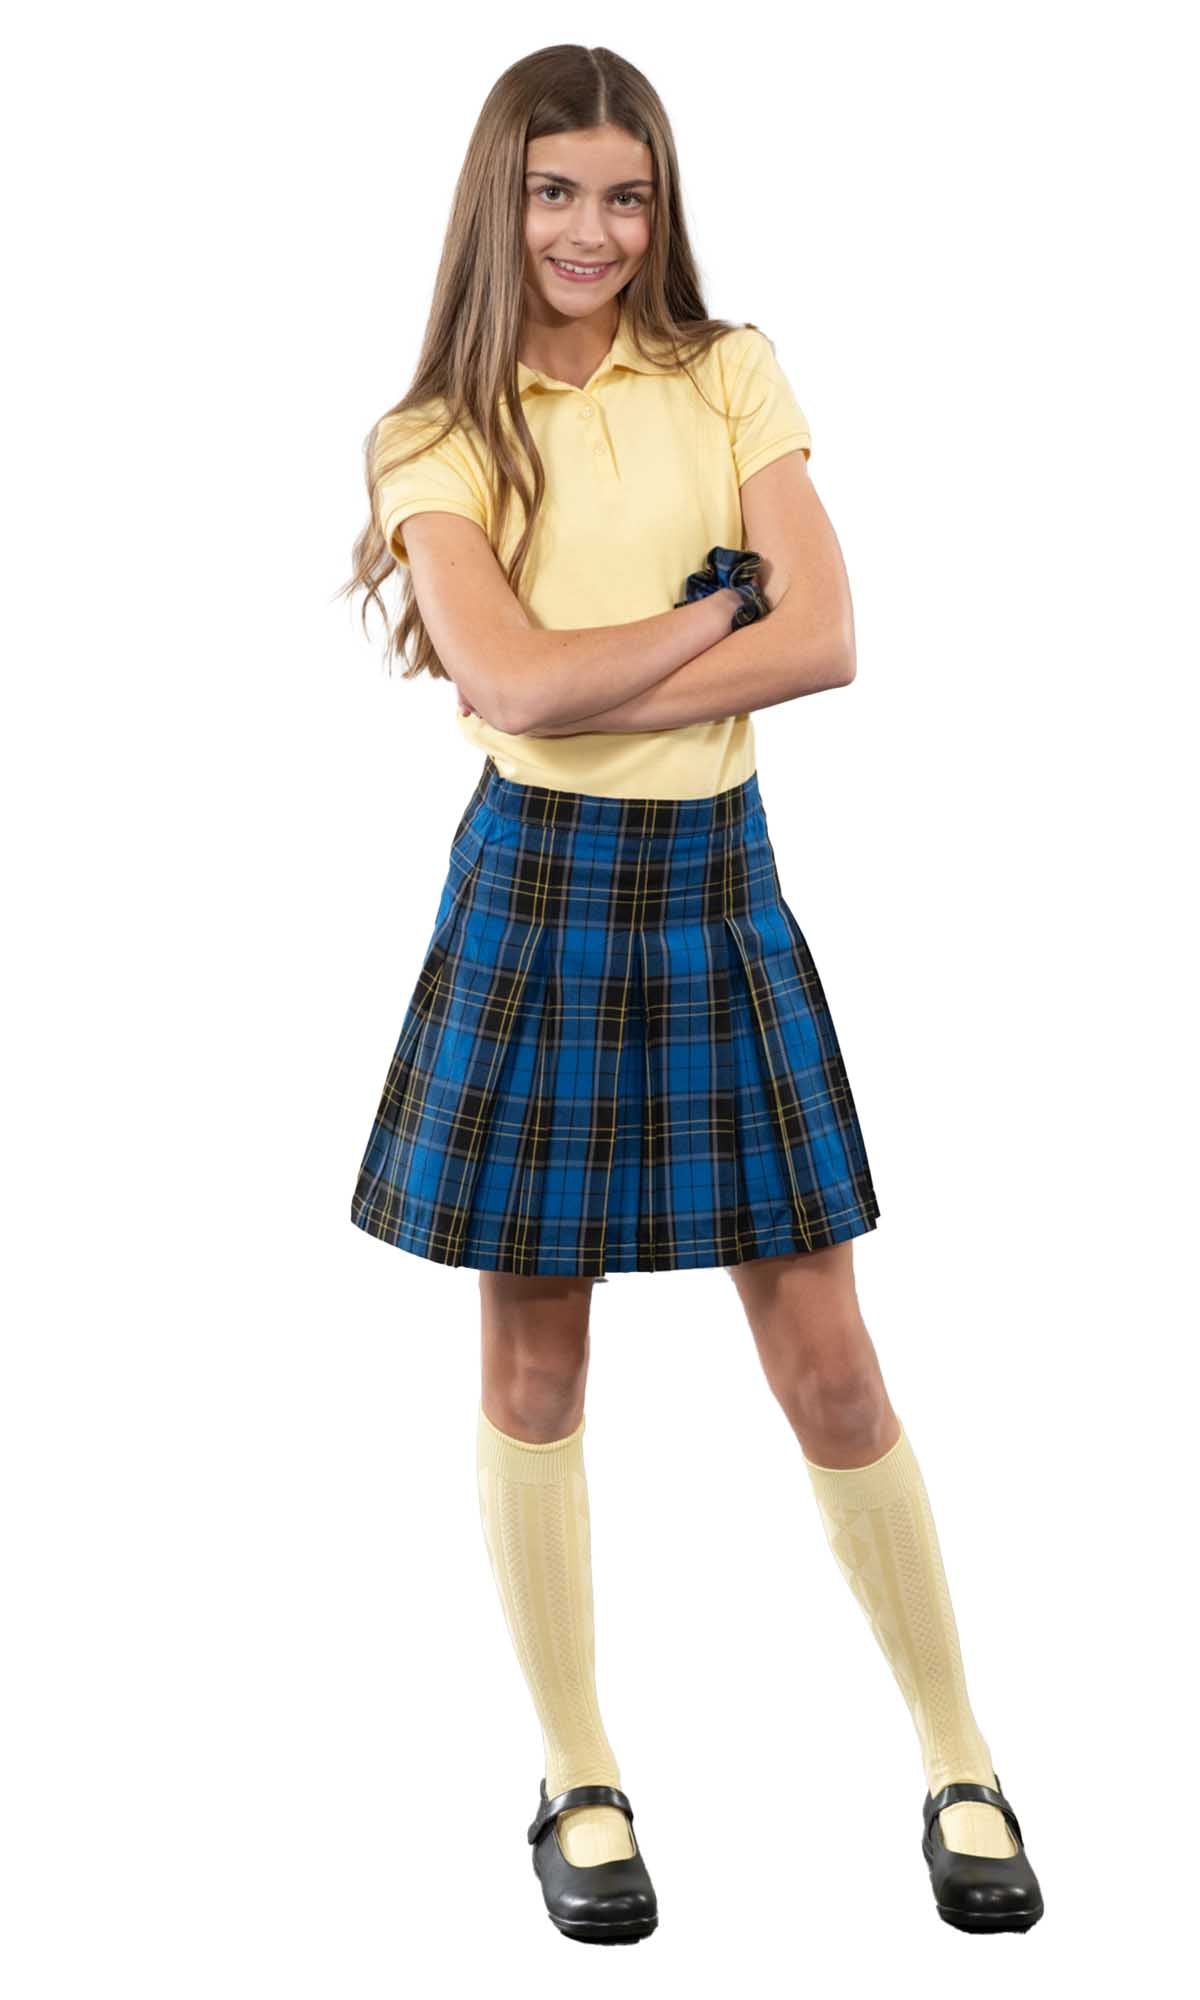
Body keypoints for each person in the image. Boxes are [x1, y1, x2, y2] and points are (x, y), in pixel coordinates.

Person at [339, 44, 1043, 1942]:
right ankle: (577, 1777)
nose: (593, 230)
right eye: (556, 192)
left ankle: (962, 1757)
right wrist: (717, 611)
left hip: (717, 892)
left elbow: (831, 636)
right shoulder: (433, 431)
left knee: (832, 1361)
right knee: (534, 1360)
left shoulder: (732, 370)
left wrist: (606, 666)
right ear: (500, 201)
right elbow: (508, 686)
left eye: (626, 194)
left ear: (661, 207)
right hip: (535, 899)